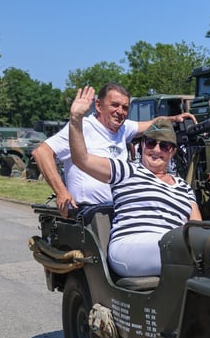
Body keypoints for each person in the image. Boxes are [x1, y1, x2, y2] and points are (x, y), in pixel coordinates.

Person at [67, 85, 202, 278]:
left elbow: (196, 227)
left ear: (172, 151)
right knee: (180, 251)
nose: (156, 149)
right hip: (131, 246)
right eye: (150, 143)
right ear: (142, 146)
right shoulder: (127, 170)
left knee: (205, 248)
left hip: (174, 246)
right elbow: (82, 159)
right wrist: (75, 119)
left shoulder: (184, 187)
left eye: (164, 145)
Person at [33, 82, 196, 218]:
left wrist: (174, 119)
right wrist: (61, 191)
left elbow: (153, 123)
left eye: (125, 107)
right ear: (98, 105)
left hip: (118, 208)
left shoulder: (123, 128)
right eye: (115, 105)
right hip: (89, 212)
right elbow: (41, 152)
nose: (120, 112)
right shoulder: (82, 128)